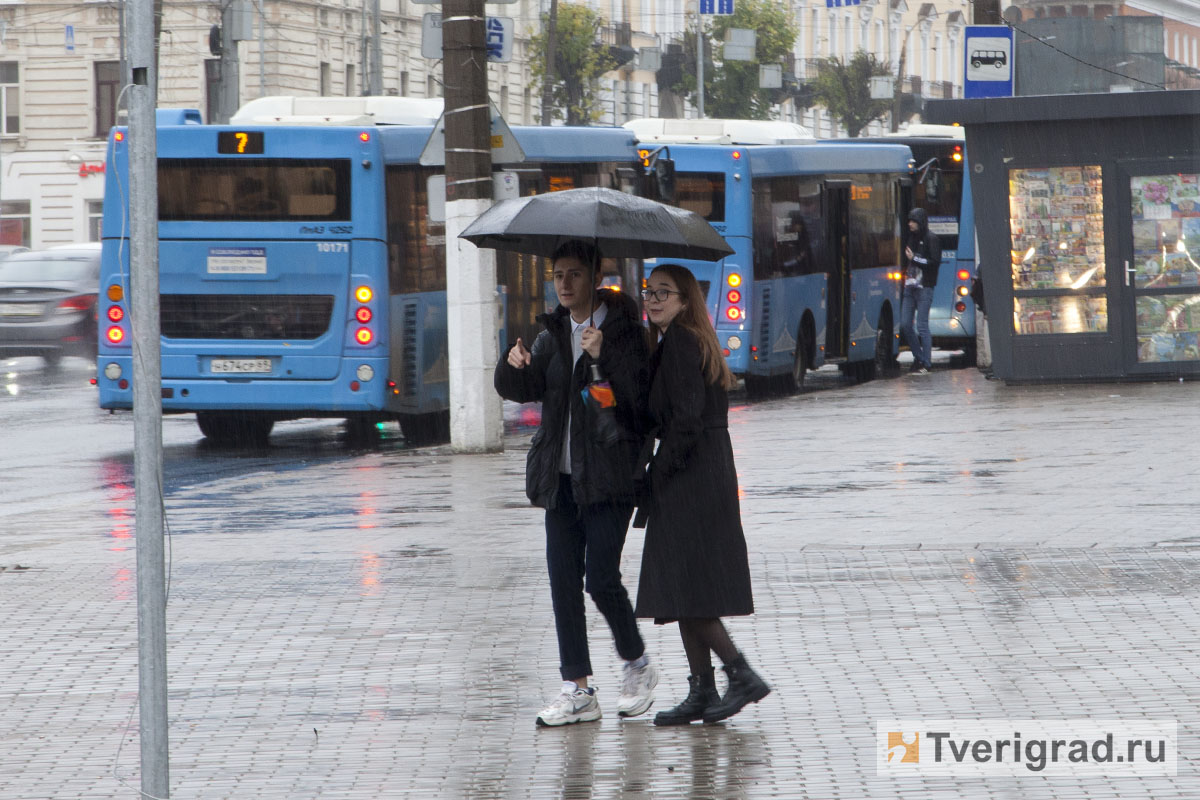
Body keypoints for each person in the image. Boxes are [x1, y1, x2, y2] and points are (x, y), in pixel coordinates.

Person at [493, 240, 658, 727]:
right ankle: (577, 689)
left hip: (609, 477)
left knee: (601, 579)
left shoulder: (626, 333)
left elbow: (635, 405)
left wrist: (603, 357)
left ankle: (637, 665)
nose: (564, 285)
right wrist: (513, 365)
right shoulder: (550, 335)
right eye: (558, 275)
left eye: (574, 276)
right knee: (563, 582)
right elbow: (520, 391)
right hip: (559, 479)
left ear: (595, 277)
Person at [634, 263, 770, 726]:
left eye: (663, 293)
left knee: (689, 588)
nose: (653, 300)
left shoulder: (681, 342)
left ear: (686, 299)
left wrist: (658, 472)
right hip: (704, 469)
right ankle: (703, 690)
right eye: (649, 292)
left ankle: (740, 674)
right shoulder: (682, 340)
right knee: (684, 587)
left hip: (690, 475)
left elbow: (687, 418)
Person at [899, 207, 942, 375]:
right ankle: (918, 356)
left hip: (924, 286)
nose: (910, 224)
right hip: (910, 286)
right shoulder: (911, 238)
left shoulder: (932, 239)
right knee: (905, 324)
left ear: (921, 222)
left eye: (913, 221)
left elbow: (934, 262)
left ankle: (927, 362)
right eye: (909, 221)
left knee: (922, 325)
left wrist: (914, 259)